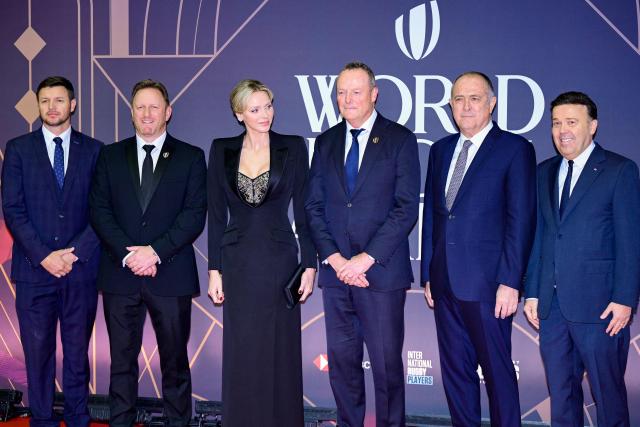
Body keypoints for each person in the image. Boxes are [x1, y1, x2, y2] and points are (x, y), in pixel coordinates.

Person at [305, 62, 420, 426]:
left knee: (386, 368)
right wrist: (337, 260)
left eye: (356, 91)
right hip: (337, 277)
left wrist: (365, 259)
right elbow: (314, 206)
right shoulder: (325, 142)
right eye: (341, 92)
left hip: (381, 275)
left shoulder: (399, 139)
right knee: (342, 365)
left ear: (374, 94)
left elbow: (405, 208)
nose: (347, 99)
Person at [420, 71, 537, 426]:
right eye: (458, 99)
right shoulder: (440, 150)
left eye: (474, 98)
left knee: (498, 375)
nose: (466, 106)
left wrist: (510, 281)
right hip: (445, 283)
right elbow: (434, 218)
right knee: (456, 375)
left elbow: (521, 220)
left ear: (492, 103)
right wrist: (428, 273)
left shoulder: (515, 149)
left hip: (489, 286)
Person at [89, 79, 206, 427]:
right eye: (140, 107)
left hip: (170, 274)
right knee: (121, 363)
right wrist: (130, 255)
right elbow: (99, 210)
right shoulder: (109, 156)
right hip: (120, 274)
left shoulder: (190, 156)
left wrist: (154, 253)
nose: (147, 113)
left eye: (154, 106)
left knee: (174, 363)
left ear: (168, 112)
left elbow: (194, 214)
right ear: (131, 113)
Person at [524, 91, 640, 427]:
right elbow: (541, 237)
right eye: (556, 123)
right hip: (552, 306)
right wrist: (532, 290)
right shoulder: (543, 172)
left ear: (593, 126)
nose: (563, 130)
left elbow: (631, 242)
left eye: (571, 122)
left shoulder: (619, 171)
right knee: (561, 395)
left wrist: (624, 300)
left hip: (602, 307)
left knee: (608, 396)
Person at [207, 79, 316, 426]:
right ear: (239, 114)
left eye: (268, 106)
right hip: (237, 263)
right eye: (255, 109)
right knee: (243, 351)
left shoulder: (292, 147)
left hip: (280, 263)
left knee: (279, 351)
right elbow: (215, 213)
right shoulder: (221, 149)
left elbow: (305, 209)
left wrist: (309, 264)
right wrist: (214, 269)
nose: (265, 114)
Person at [1, 76, 102, 427]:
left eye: (59, 100)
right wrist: (45, 255)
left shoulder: (95, 150)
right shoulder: (18, 149)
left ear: (72, 104)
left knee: (77, 356)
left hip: (81, 272)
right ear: (38, 105)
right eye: (45, 101)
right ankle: (41, 420)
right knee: (37, 356)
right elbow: (13, 209)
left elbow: (102, 210)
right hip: (33, 271)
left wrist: (72, 255)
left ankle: (78, 420)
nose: (52, 107)